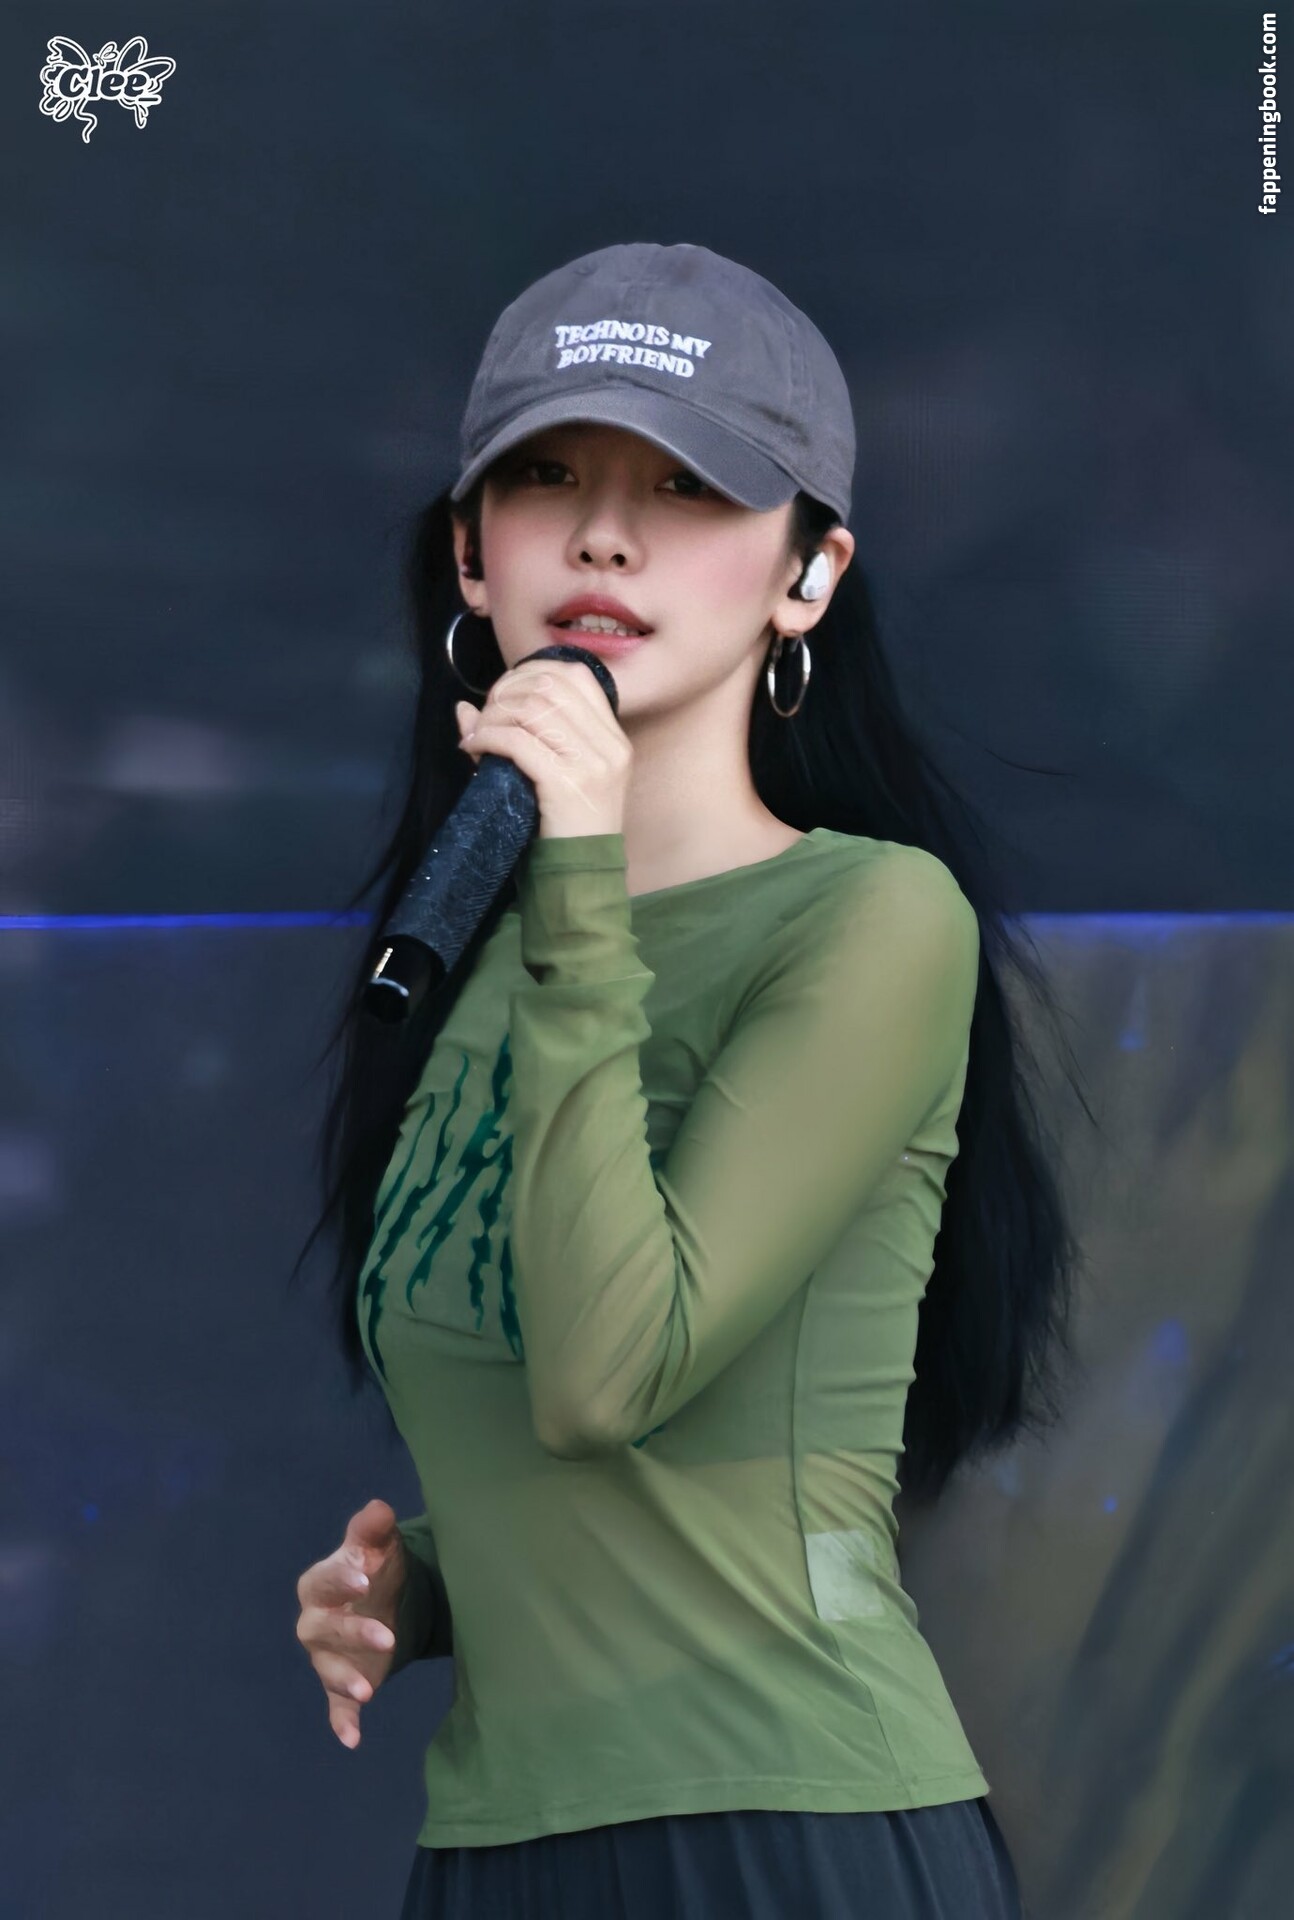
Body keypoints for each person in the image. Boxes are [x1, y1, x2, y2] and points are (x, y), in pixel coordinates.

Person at [293, 242, 1082, 1916]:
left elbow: (608, 1379)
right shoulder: (474, 951)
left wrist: (577, 877)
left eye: (686, 486)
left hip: (784, 1837)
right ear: (470, 551)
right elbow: (612, 1468)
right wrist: (422, 1587)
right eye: (547, 477)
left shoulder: (873, 919)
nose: (603, 534)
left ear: (809, 573)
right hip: (497, 1849)